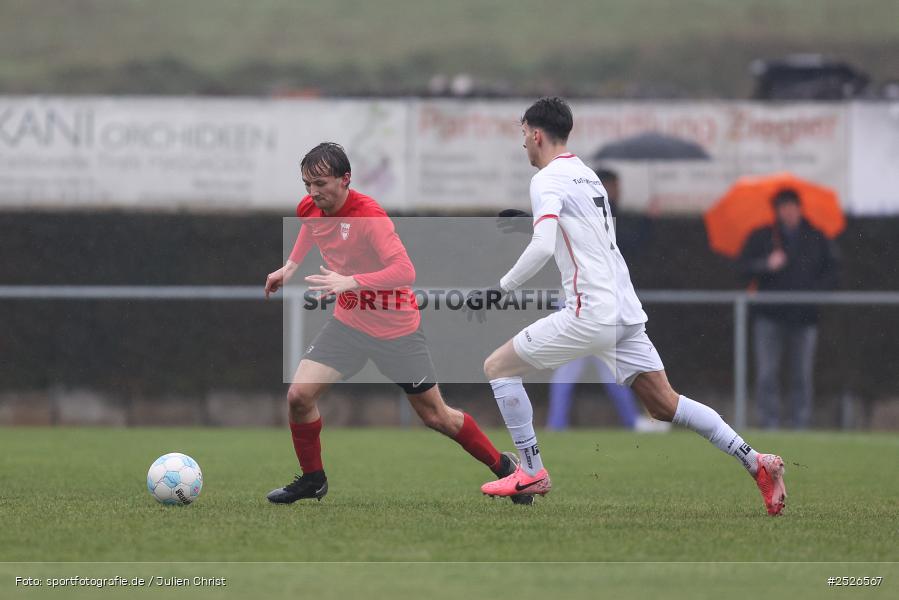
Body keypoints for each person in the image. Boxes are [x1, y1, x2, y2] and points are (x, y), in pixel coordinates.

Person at [470, 98, 787, 516]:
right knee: (664, 404)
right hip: (623, 311)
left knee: (498, 367)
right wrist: (531, 222)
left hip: (589, 313)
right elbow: (583, 238)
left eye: (523, 133)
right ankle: (756, 461)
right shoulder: (588, 175)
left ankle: (531, 471)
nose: (523, 143)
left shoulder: (545, 179)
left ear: (537, 134)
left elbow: (545, 246)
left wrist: (500, 289)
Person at [264, 142, 528, 504]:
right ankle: (313, 480)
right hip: (348, 325)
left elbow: (405, 271)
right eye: (307, 184)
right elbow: (312, 227)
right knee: (299, 396)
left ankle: (506, 469)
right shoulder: (310, 206)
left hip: (397, 332)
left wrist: (352, 281)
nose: (313, 192)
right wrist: (291, 267)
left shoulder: (370, 217)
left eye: (321, 184)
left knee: (437, 417)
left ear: (345, 179)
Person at [544, 167, 667, 432]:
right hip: (580, 302)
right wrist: (648, 221)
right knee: (575, 368)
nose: (617, 192)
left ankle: (627, 421)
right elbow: (627, 241)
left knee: (607, 368)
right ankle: (558, 423)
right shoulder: (592, 215)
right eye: (613, 187)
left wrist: (648, 221)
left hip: (592, 302)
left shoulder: (594, 214)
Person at [739, 189, 838, 429]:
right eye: (783, 207)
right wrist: (766, 265)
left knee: (801, 374)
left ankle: (799, 423)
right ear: (777, 211)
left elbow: (833, 273)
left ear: (799, 208)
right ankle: (769, 422)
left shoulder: (816, 237)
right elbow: (742, 269)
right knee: (767, 373)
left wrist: (812, 292)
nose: (788, 212)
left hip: (804, 318)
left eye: (792, 207)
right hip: (769, 316)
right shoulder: (763, 237)